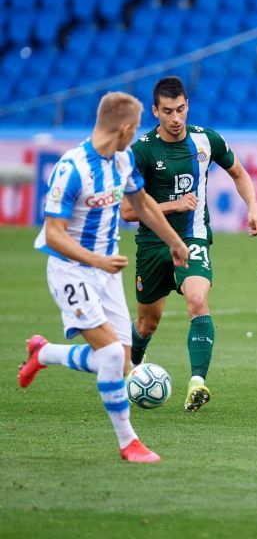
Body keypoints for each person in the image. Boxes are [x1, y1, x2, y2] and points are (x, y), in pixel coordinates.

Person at [18, 92, 189, 462]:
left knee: (119, 362)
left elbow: (142, 204)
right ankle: (129, 443)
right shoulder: (72, 168)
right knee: (110, 354)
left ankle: (44, 353)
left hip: (105, 271)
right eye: (135, 128)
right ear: (125, 128)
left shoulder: (123, 160)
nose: (136, 135)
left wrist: (175, 242)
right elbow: (53, 235)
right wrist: (96, 260)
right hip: (71, 269)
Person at [121, 76, 257, 412]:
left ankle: (197, 383)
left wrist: (254, 206)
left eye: (181, 109)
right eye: (168, 111)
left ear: (187, 106)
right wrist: (173, 205)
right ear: (155, 111)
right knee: (146, 324)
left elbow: (239, 172)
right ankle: (131, 371)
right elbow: (127, 211)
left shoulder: (206, 139)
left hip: (193, 237)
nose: (176, 118)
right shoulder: (141, 151)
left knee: (198, 300)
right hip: (153, 243)